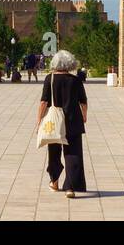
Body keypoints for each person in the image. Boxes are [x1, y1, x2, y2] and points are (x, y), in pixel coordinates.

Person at [37, 50, 89, 198]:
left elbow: (44, 102)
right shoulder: (76, 80)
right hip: (73, 120)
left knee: (53, 151)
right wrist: (84, 116)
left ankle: (54, 181)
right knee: (73, 153)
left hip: (54, 122)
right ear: (70, 63)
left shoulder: (50, 78)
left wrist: (39, 120)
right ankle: (70, 188)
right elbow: (83, 102)